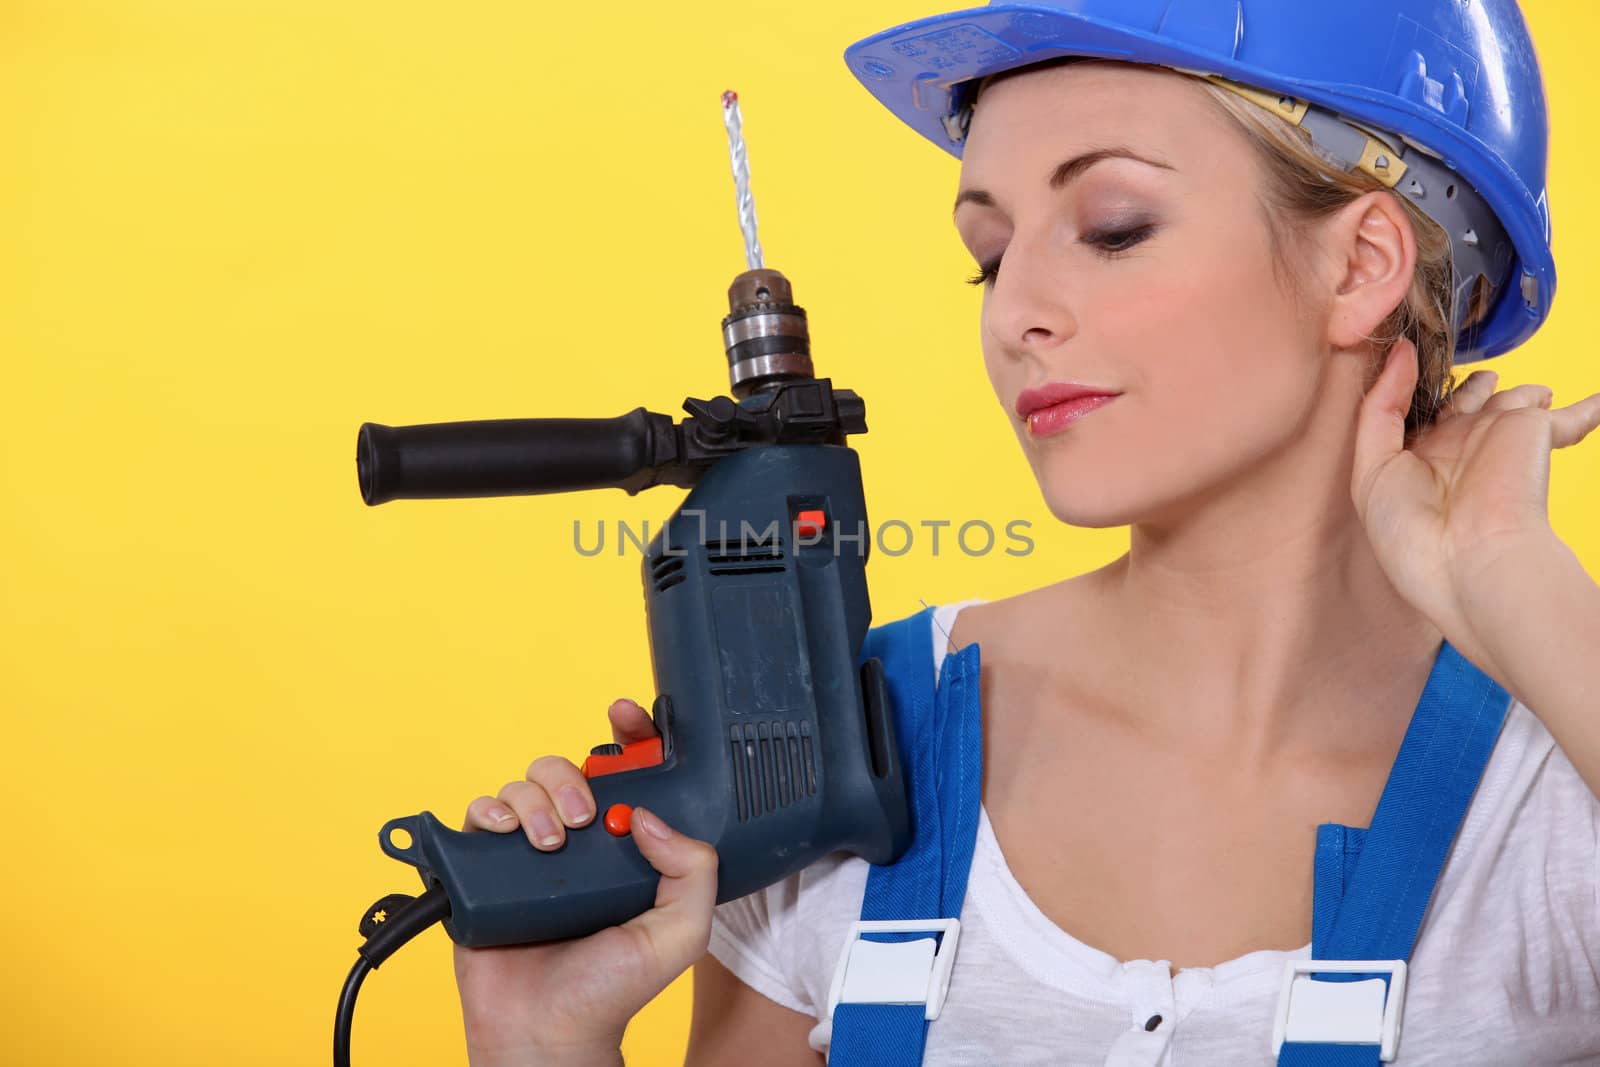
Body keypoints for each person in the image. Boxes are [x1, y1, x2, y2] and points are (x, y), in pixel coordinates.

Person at [449, 4, 1600, 1065]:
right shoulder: (836, 757)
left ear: (1359, 265)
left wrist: (1504, 576)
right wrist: (543, 1048)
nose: (1013, 314)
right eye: (990, 255)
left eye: (1111, 226)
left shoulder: (1553, 793)